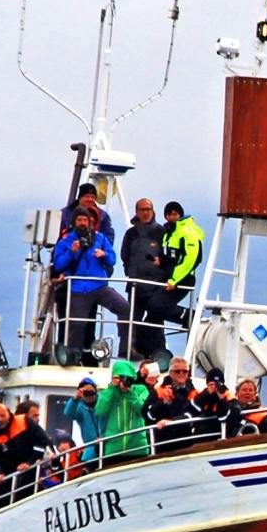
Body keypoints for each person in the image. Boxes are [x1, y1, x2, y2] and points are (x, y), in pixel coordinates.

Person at [50, 208, 130, 358]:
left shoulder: (100, 238)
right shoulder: (65, 242)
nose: (82, 223)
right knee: (78, 324)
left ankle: (125, 349)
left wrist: (104, 255)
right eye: (79, 220)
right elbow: (59, 265)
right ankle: (74, 356)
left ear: (89, 222)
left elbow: (112, 259)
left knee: (124, 308)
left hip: (99, 285)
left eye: (85, 220)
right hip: (78, 288)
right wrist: (72, 251)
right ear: (74, 222)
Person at [121, 198, 172, 360]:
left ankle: (159, 353)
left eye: (148, 209)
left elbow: (167, 257)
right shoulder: (131, 234)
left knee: (156, 322)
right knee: (132, 321)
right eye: (142, 209)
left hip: (156, 286)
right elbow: (125, 256)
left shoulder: (161, 232)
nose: (145, 212)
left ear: (153, 211)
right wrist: (130, 271)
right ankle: (130, 351)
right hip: (136, 285)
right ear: (136, 212)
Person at [95, 358, 152, 461]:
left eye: (128, 378)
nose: (125, 381)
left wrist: (129, 393)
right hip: (113, 449)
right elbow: (100, 411)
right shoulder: (108, 393)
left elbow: (143, 410)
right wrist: (112, 388)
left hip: (138, 448)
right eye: (121, 377)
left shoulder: (140, 390)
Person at [159, 201, 206, 325]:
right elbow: (171, 257)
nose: (171, 217)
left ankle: (192, 316)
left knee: (157, 305)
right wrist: (161, 262)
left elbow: (192, 259)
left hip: (183, 279)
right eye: (168, 214)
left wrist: (174, 280)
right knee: (152, 308)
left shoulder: (188, 232)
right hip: (169, 278)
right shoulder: (169, 233)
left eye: (174, 214)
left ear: (180, 215)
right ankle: (149, 343)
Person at [145, 373, 199, 453]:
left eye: (184, 371)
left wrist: (176, 397)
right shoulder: (157, 392)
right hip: (162, 442)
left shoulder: (191, 392)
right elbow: (148, 416)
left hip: (184, 441)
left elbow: (193, 413)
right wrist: (164, 402)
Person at [63, 376, 104, 464]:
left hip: (107, 443)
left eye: (91, 392)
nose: (89, 395)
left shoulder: (103, 402)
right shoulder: (79, 407)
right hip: (91, 449)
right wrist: (75, 399)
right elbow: (69, 414)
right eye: (86, 392)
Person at [193, 370, 239, 439]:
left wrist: (221, 398)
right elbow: (192, 410)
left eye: (217, 384)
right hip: (201, 435)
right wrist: (208, 395)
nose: (215, 387)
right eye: (211, 384)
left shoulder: (229, 396)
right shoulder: (201, 396)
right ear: (207, 385)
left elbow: (226, 417)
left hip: (220, 435)